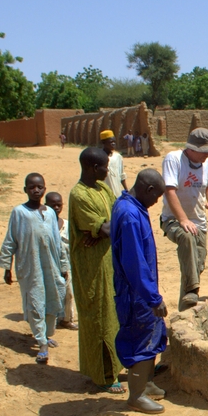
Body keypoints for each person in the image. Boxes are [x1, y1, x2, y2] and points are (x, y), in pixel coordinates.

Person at [111, 169, 169, 414]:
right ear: (148, 190)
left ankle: (145, 382)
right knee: (140, 337)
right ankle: (136, 394)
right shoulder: (130, 216)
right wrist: (152, 297)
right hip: (136, 293)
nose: (157, 202)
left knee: (153, 332)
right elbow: (134, 262)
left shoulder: (130, 206)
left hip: (143, 289)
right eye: (157, 197)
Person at [0, 174, 68, 365]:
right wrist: (7, 267)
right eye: (31, 187)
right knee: (36, 300)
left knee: (53, 298)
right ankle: (42, 343)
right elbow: (11, 239)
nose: (36, 190)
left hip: (51, 266)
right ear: (25, 190)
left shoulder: (51, 213)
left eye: (39, 187)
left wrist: (63, 265)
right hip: (30, 266)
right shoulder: (19, 212)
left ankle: (45, 334)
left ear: (44, 189)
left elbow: (58, 243)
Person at [68, 148, 123, 392]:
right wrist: (102, 231)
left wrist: (103, 231)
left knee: (113, 314)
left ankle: (118, 366)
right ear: (93, 168)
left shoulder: (103, 190)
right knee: (98, 316)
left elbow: (116, 220)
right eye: (103, 167)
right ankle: (104, 375)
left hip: (109, 262)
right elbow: (108, 229)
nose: (107, 171)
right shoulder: (78, 195)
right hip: (91, 268)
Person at [161, 128, 208, 310]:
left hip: (199, 220)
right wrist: (183, 220)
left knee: (196, 264)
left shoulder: (205, 163)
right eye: (204, 151)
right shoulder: (174, 159)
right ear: (192, 149)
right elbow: (169, 191)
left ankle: (184, 310)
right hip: (174, 219)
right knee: (186, 237)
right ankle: (193, 289)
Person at [45, 192, 77, 330]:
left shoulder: (67, 225)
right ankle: (49, 322)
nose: (57, 208)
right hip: (49, 266)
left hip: (67, 266)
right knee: (51, 294)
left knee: (69, 293)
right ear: (46, 206)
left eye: (59, 205)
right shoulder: (44, 225)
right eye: (53, 205)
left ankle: (66, 319)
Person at [100, 130, 127, 194]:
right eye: (111, 142)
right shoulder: (99, 157)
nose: (113, 144)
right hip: (105, 193)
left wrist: (126, 190)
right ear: (104, 142)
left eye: (114, 142)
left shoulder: (118, 157)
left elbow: (122, 175)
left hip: (117, 192)